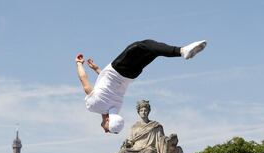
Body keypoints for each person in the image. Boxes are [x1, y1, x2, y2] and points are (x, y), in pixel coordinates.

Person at [75, 39, 207, 133]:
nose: (105, 131)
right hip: (119, 69)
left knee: (151, 51)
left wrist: (98, 69)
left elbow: (108, 86)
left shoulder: (116, 107)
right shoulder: (93, 106)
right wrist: (79, 63)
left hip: (131, 75)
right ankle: (182, 51)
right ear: (108, 120)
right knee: (143, 45)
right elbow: (85, 81)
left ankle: (183, 51)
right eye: (108, 129)